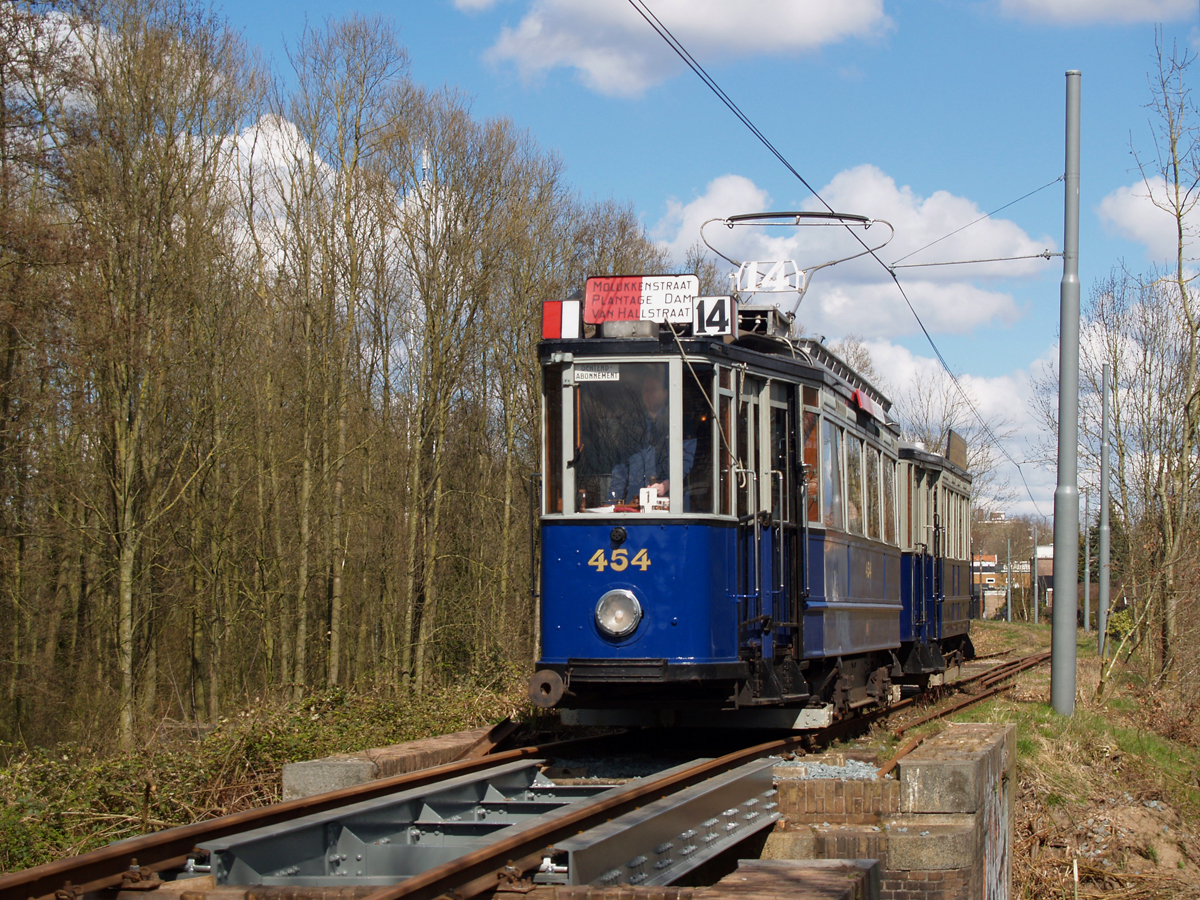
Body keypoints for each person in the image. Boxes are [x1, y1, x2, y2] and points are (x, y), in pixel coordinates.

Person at [609, 371, 695, 505]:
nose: (649, 394)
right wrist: (611, 504)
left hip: (671, 504)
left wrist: (668, 484)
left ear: (666, 393)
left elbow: (685, 462)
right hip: (635, 503)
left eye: (653, 390)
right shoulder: (631, 426)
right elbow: (620, 469)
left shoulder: (680, 424)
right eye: (646, 390)